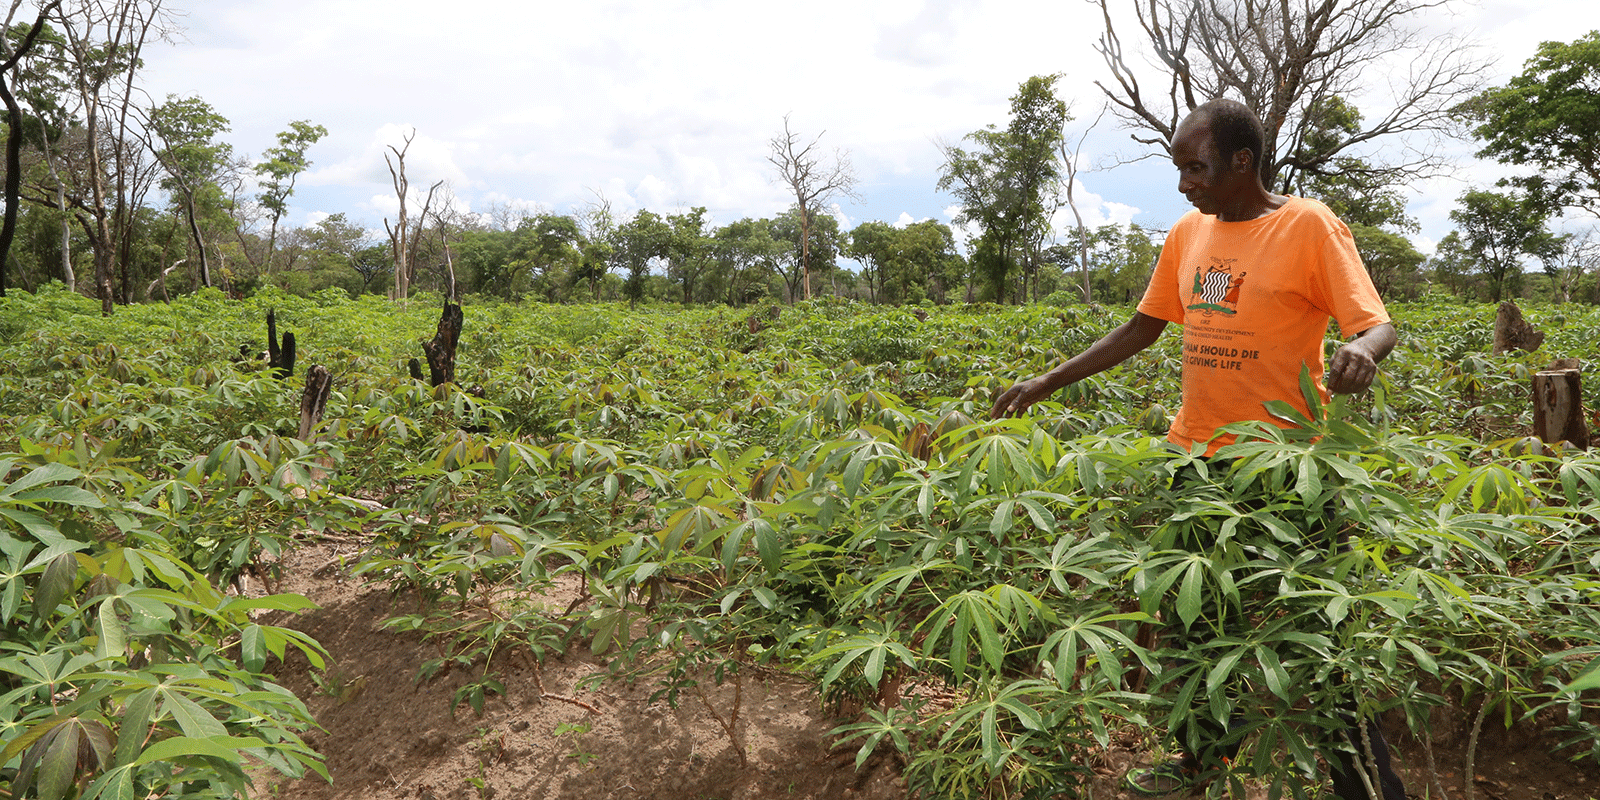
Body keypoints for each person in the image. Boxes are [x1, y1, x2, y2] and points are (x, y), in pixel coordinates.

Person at [990, 98, 1403, 799]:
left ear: (1243, 162)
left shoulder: (1308, 226)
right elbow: (1142, 327)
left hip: (1284, 466)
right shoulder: (1187, 233)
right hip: (1196, 461)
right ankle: (1201, 762)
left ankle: (1364, 781)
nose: (1185, 183)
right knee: (1192, 626)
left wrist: (1361, 353)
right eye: (1179, 168)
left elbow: (1376, 324)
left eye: (1196, 167)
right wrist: (1048, 379)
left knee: (1315, 633)